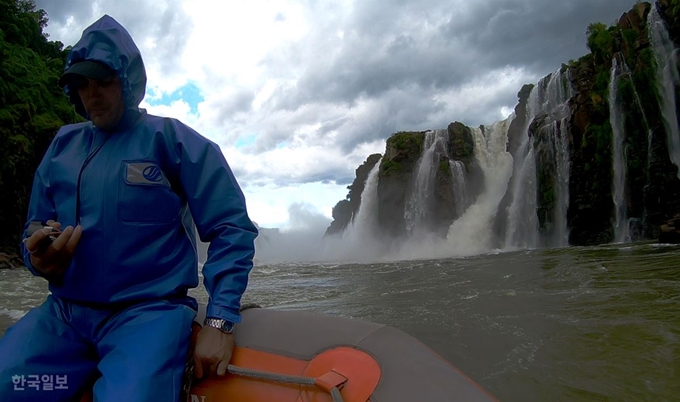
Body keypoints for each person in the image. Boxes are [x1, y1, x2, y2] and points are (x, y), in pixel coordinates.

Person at [0, 14, 258, 402]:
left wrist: (219, 321)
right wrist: (38, 258)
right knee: (12, 386)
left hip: (148, 316)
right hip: (64, 316)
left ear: (128, 81)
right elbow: (34, 226)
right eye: (82, 84)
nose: (93, 94)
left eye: (104, 81)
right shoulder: (61, 147)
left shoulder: (173, 141)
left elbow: (231, 226)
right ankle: (66, 381)